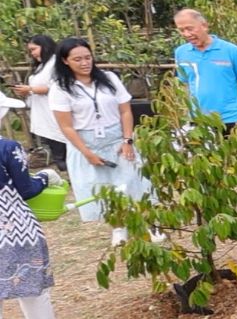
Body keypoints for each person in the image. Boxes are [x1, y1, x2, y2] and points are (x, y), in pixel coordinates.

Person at [48, 38, 157, 247]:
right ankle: (118, 227)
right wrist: (86, 152)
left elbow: (125, 110)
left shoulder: (108, 78)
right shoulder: (60, 88)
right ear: (65, 61)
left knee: (134, 181)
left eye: (87, 57)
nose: (84, 63)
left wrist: (127, 139)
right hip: (86, 142)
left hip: (116, 136)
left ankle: (150, 225)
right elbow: (66, 126)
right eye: (77, 59)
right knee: (103, 187)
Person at [0, 95, 67, 319]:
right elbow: (26, 189)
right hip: (11, 226)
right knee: (28, 277)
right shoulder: (7, 148)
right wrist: (44, 177)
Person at [173, 9, 237, 140]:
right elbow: (184, 85)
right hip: (199, 120)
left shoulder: (230, 50)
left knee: (236, 158)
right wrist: (183, 116)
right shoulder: (181, 53)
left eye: (190, 29)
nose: (186, 34)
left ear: (204, 26)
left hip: (231, 118)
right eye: (181, 30)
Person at [13, 35, 66, 169]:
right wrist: (27, 91)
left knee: (63, 152)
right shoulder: (42, 65)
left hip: (54, 114)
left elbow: (56, 86)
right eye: (30, 51)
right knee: (57, 152)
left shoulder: (56, 63)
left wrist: (30, 89)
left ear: (45, 46)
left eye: (34, 49)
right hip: (45, 115)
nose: (32, 53)